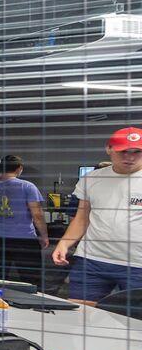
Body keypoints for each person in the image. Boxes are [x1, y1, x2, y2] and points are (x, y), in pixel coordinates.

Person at [53, 127, 142, 305]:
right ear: (109, 149)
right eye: (123, 151)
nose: (130, 157)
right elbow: (82, 218)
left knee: (135, 319)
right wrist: (64, 243)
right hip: (92, 260)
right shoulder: (91, 179)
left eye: (137, 152)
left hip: (137, 264)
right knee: (81, 314)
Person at [0, 155, 49, 287]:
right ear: (19, 168)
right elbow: (37, 214)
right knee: (31, 280)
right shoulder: (27, 186)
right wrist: (44, 235)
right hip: (23, 238)